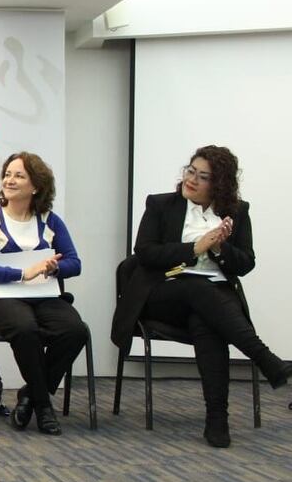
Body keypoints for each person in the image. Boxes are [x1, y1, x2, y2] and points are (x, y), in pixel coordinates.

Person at [112, 145, 292, 448]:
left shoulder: (237, 212)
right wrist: (196, 248)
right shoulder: (161, 204)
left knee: (206, 322)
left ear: (219, 184)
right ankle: (264, 358)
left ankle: (217, 420)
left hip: (213, 299)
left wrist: (220, 247)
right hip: (163, 292)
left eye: (202, 176)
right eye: (190, 171)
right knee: (198, 289)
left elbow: (245, 263)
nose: (191, 179)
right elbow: (144, 252)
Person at [0, 152, 86, 436]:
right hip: (1, 297)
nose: (10, 180)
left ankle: (30, 395)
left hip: (44, 295)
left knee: (75, 330)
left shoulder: (50, 221)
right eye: (7, 174)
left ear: (35, 186)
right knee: (25, 328)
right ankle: (43, 406)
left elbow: (74, 263)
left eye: (19, 175)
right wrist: (22, 273)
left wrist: (55, 267)